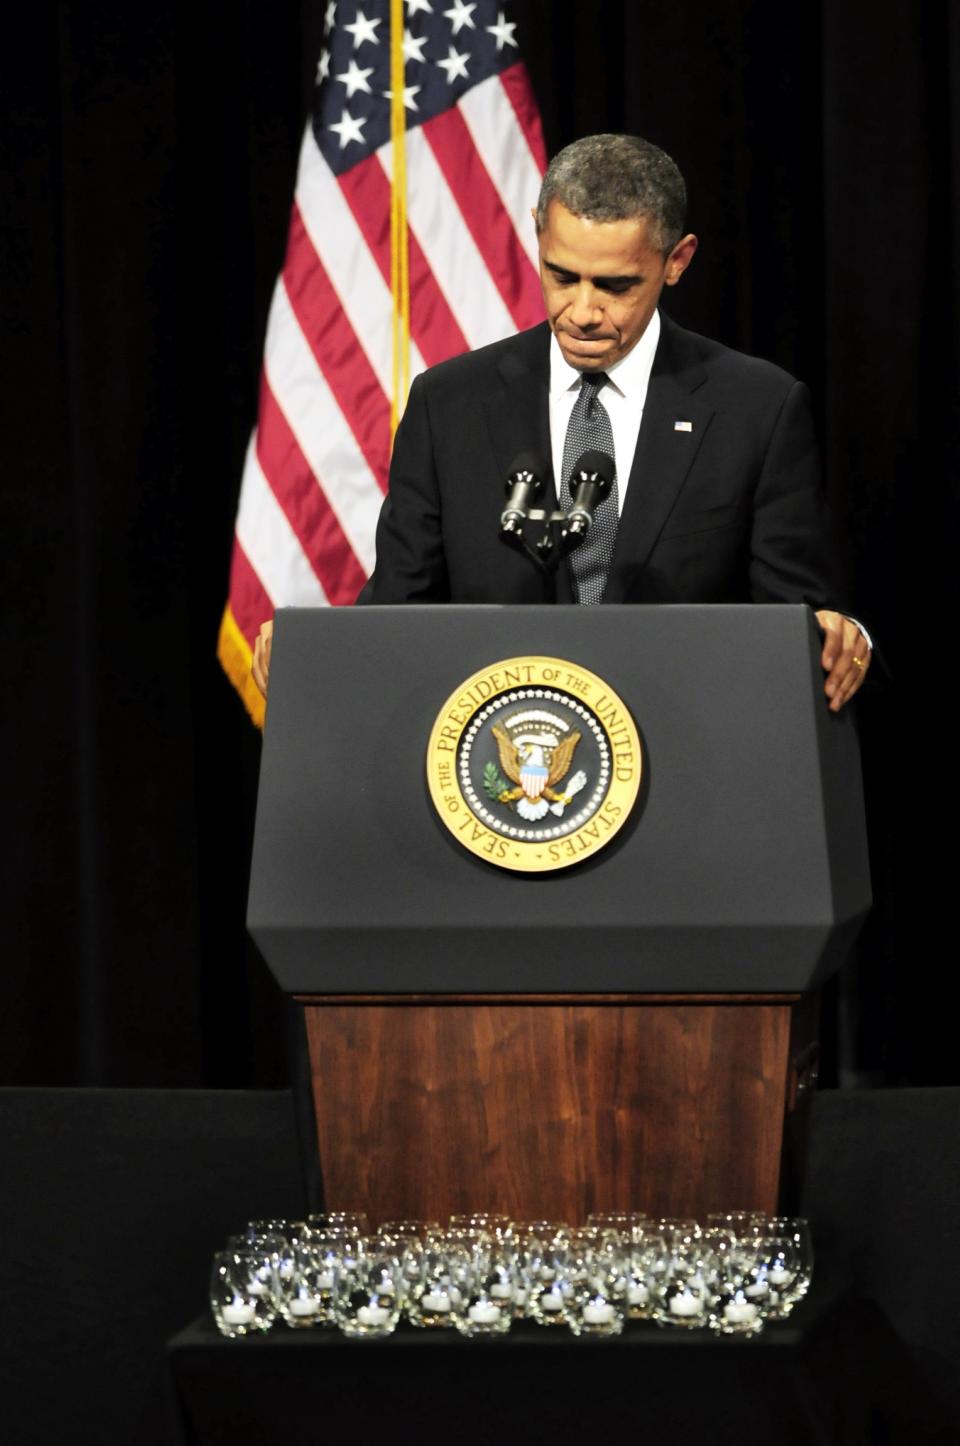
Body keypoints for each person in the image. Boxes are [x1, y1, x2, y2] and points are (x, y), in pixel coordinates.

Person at [253, 133, 870, 707]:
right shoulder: (449, 405)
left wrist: (840, 635)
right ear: (538, 236)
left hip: (686, 758)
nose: (582, 311)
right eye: (561, 275)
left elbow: (803, 621)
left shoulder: (756, 408)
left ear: (676, 261)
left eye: (615, 285)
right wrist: (315, 656)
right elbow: (398, 614)